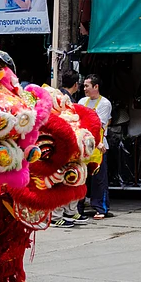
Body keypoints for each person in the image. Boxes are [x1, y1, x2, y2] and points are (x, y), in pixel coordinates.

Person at [51, 69, 88, 227]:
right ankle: (56, 216)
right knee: (61, 180)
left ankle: (68, 212)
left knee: (71, 178)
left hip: (65, 146)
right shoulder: (63, 100)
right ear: (76, 84)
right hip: (61, 146)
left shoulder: (58, 97)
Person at [78, 75, 111, 220]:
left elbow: (99, 125)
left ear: (96, 87)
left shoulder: (104, 103)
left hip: (98, 146)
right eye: (84, 86)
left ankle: (100, 208)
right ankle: (77, 209)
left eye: (87, 86)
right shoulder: (81, 102)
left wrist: (96, 141)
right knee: (80, 178)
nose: (84, 89)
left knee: (99, 179)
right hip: (82, 146)